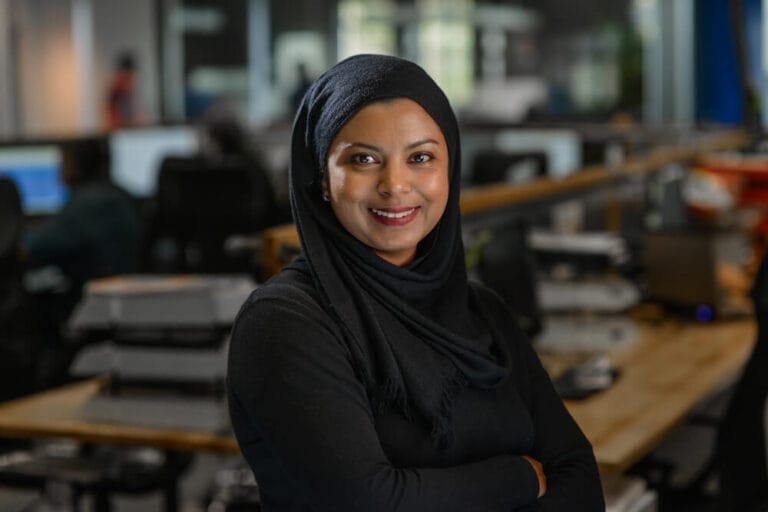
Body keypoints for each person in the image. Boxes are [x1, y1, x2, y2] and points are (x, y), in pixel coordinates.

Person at [227, 54, 604, 511]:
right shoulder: (285, 322)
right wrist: (519, 476)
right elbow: (368, 503)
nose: (396, 185)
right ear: (323, 178)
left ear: (449, 169)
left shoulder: (480, 310)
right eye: (363, 159)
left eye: (421, 157)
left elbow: (579, 474)